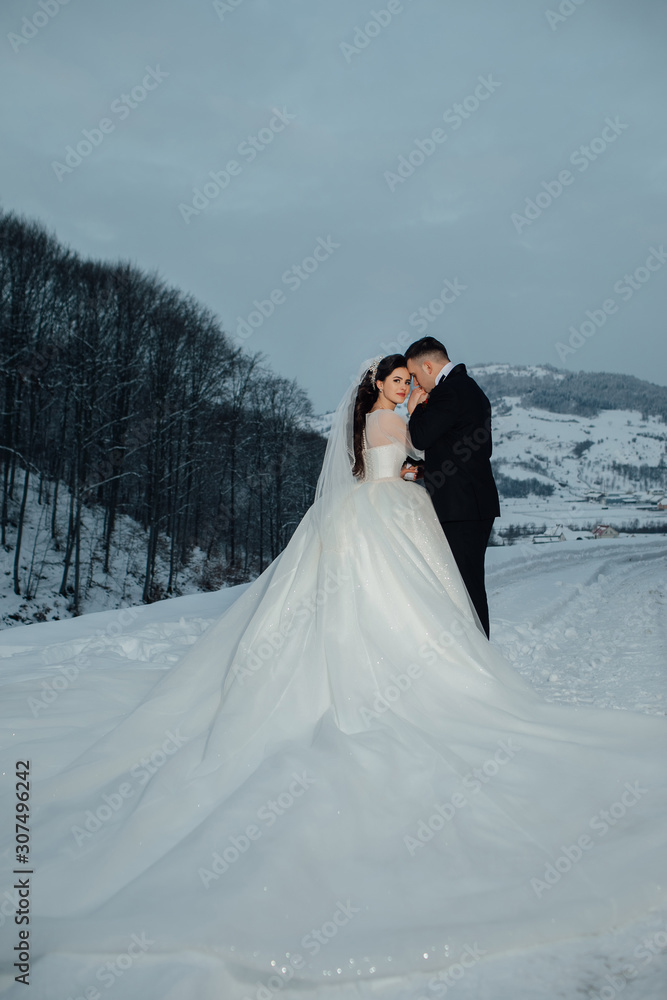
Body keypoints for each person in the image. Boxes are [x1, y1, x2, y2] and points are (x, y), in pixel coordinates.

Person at [2, 355, 666, 1000]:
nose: (405, 389)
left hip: (379, 515)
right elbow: (403, 465)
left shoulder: (373, 421)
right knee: (391, 611)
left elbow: (401, 461)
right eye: (398, 380)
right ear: (376, 384)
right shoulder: (386, 421)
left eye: (409, 380)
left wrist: (412, 464)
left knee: (383, 613)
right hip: (387, 517)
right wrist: (413, 465)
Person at [406, 337, 499, 637]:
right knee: (465, 588)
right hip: (470, 504)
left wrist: (414, 409)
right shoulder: (468, 389)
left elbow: (420, 437)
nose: (416, 386)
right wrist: (425, 469)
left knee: (467, 591)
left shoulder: (450, 392)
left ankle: (482, 662)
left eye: (415, 377)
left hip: (462, 508)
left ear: (429, 366)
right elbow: (464, 450)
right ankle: (476, 656)